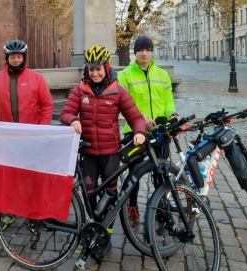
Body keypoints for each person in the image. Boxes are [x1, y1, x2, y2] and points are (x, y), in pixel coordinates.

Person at [60, 45, 147, 256]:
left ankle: (105, 233)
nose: (95, 73)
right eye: (91, 69)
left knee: (110, 195)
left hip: (110, 154)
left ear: (106, 68)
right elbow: (65, 113)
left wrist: (139, 132)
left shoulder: (117, 90)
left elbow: (135, 117)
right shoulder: (81, 90)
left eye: (99, 69)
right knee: (89, 195)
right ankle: (92, 228)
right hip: (88, 154)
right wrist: (73, 120)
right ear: (87, 71)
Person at [0, 39, 54, 230]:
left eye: (19, 56)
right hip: (7, 138)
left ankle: (35, 212)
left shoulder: (36, 78)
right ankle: (9, 212)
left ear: (24, 57)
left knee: (32, 176)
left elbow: (47, 105)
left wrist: (42, 128)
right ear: (7, 58)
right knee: (9, 177)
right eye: (12, 57)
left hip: (30, 137)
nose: (16, 60)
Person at [117, 36, 179, 230]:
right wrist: (140, 117)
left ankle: (161, 208)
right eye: (140, 49)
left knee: (161, 173)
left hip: (159, 132)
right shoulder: (125, 75)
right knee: (133, 174)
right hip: (134, 132)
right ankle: (132, 207)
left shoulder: (162, 74)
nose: (144, 53)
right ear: (135, 52)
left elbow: (168, 100)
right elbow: (122, 104)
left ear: (152, 52)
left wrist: (173, 114)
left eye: (148, 49)